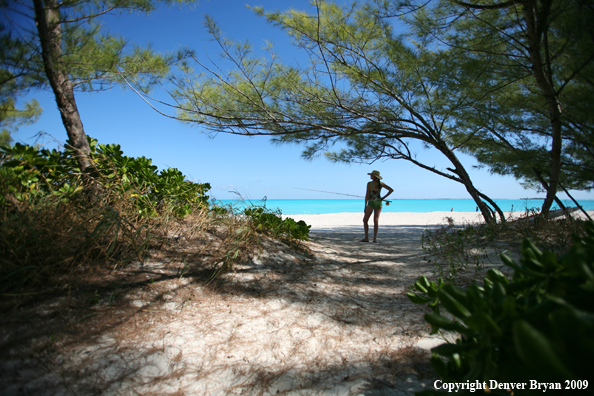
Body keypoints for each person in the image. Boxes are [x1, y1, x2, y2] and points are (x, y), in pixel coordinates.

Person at [361, 170, 394, 243]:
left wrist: (365, 205)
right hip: (379, 203)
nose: (370, 176)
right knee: (376, 221)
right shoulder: (381, 183)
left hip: (371, 203)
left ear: (374, 176)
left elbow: (367, 195)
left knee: (365, 220)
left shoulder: (369, 184)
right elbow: (391, 190)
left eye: (371, 175)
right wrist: (383, 198)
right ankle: (374, 239)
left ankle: (366, 238)